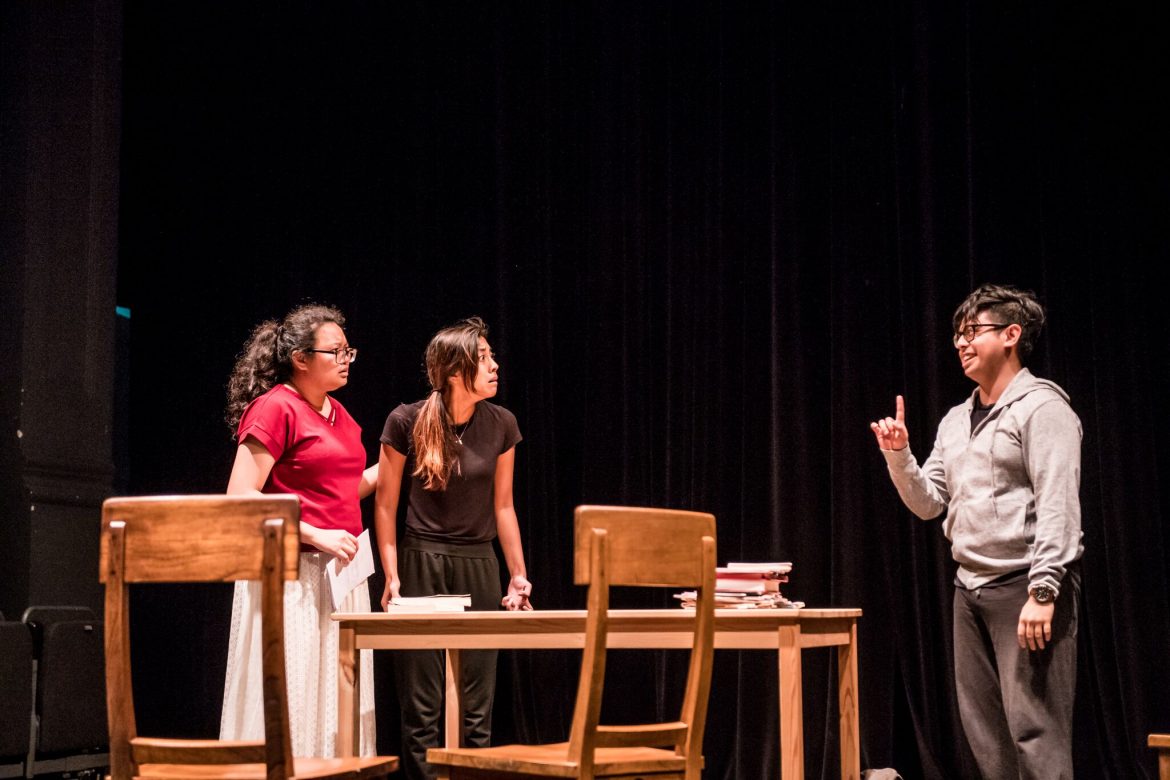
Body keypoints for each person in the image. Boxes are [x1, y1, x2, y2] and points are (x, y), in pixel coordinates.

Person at [869, 283, 1083, 779]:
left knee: (1036, 733)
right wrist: (898, 455)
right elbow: (929, 504)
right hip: (969, 591)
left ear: (1011, 335)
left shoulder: (1042, 408)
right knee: (987, 738)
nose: (962, 343)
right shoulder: (955, 421)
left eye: (973, 331)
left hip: (1026, 587)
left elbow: (1058, 502)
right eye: (957, 335)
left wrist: (1044, 590)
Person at [375, 316, 532, 780]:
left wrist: (517, 575)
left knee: (476, 708)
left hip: (479, 562)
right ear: (454, 371)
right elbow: (385, 504)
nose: (494, 365)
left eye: (491, 356)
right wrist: (392, 575)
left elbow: (504, 506)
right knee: (421, 707)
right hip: (421, 561)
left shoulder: (502, 423)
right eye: (483, 358)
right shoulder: (405, 420)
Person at [219, 303, 377, 756]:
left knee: (336, 700)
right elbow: (240, 494)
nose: (346, 359)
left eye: (348, 351)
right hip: (293, 573)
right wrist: (313, 534)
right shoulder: (275, 408)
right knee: (295, 692)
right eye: (335, 351)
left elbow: (343, 491)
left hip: (341, 571)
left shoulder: (340, 415)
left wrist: (397, 460)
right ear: (300, 359)